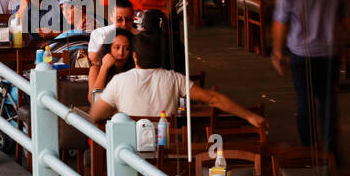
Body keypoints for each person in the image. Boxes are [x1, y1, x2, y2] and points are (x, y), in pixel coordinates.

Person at [90, 30, 266, 131]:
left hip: (129, 153)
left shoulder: (119, 81)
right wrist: (250, 116)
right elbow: (214, 98)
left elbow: (95, 114)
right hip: (164, 150)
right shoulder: (175, 79)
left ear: (134, 56)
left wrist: (116, 110)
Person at [271, 0, 350, 156]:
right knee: (328, 100)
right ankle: (332, 152)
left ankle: (310, 151)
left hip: (301, 51)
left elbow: (281, 19)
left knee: (305, 101)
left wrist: (277, 52)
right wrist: (347, 43)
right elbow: (345, 16)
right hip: (330, 50)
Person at [89, 29, 135, 103]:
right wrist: (104, 68)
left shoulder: (134, 71)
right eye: (117, 47)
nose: (121, 53)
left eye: (127, 48)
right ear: (108, 48)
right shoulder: (95, 69)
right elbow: (93, 100)